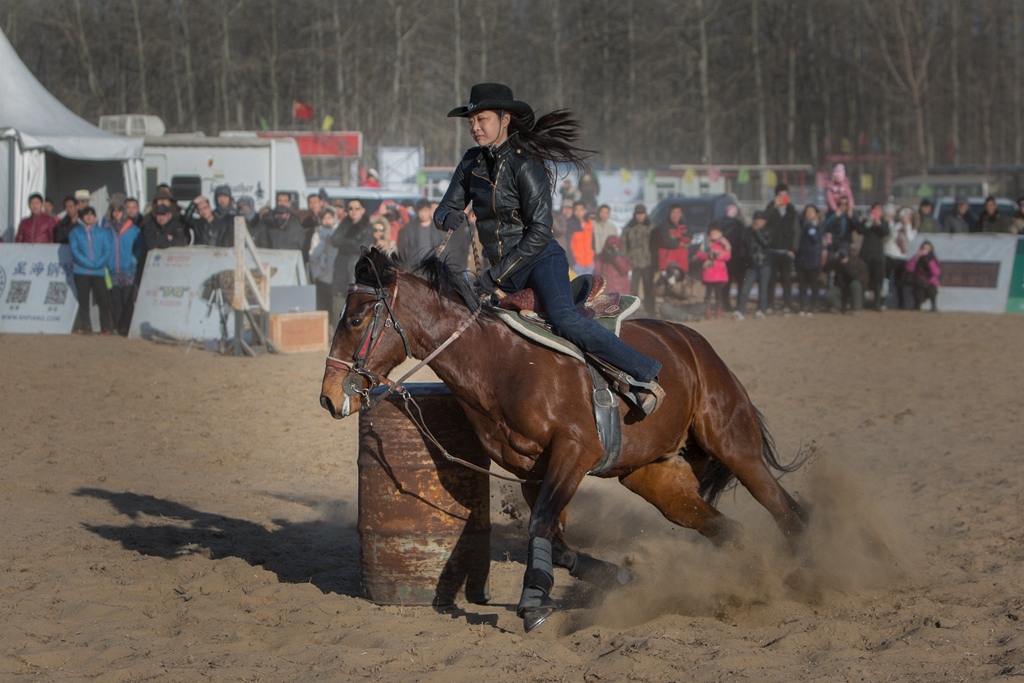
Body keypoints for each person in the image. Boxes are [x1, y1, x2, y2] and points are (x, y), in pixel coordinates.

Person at [434, 82, 664, 414]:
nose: (475, 127)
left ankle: (645, 373)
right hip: (497, 271)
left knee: (564, 319)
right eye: (471, 121)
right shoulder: (471, 162)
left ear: (506, 118)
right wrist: (449, 216)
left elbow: (540, 231)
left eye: (482, 119)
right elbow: (442, 209)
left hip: (540, 260)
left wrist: (496, 274)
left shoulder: (526, 164)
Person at [69, 206, 115, 334]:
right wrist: (88, 263)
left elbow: (107, 250)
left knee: (103, 300)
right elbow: (75, 251)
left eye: (91, 214)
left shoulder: (102, 232)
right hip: (81, 272)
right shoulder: (75, 232)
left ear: (95, 217)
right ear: (81, 217)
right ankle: (86, 326)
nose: (89, 217)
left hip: (99, 272)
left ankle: (106, 326)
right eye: (86, 214)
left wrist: (97, 264)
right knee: (83, 300)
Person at [103, 199, 143, 335]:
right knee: (115, 300)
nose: (116, 213)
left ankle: (127, 326)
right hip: (112, 270)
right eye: (114, 210)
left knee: (128, 300)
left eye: (119, 210)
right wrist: (107, 262)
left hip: (129, 270)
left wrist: (133, 259)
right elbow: (103, 247)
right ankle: (118, 326)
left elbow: (139, 248)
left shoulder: (133, 229)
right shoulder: (107, 229)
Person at [330, 198, 374, 318]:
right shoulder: (344, 224)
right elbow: (334, 240)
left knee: (354, 300)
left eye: (357, 208)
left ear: (363, 210)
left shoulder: (367, 226)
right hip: (340, 265)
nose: (353, 211)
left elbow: (361, 247)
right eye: (350, 208)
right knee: (338, 302)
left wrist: (344, 245)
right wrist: (351, 243)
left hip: (355, 265)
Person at [764, 183, 800, 313]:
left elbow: (796, 231)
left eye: (785, 195)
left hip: (786, 252)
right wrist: (774, 208)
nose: (782, 197)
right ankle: (769, 305)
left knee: (786, 280)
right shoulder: (771, 209)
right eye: (780, 195)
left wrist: (793, 249)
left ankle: (787, 305)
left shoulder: (792, 211)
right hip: (772, 251)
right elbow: (764, 222)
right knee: (771, 280)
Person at [735, 210, 772, 320]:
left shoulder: (768, 231)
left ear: (764, 221)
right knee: (745, 288)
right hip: (751, 265)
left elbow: (766, 243)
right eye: (755, 219)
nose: (757, 222)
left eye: (760, 220)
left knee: (763, 288)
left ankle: (761, 309)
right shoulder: (746, 231)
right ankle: (741, 310)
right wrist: (746, 259)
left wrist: (757, 232)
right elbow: (742, 247)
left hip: (765, 263)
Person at [621, 203, 656, 315]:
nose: (640, 216)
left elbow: (656, 245)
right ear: (634, 215)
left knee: (649, 288)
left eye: (642, 214)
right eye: (638, 214)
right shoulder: (628, 228)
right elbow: (623, 245)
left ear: (645, 214)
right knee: (633, 289)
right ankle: (632, 312)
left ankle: (651, 311)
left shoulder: (652, 227)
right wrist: (625, 260)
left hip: (648, 262)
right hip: (633, 263)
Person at [856, 202, 890, 310]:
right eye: (875, 209)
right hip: (866, 255)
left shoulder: (883, 222)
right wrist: (870, 221)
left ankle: (877, 303)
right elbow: (860, 230)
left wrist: (878, 222)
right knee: (864, 279)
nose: (877, 212)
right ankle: (860, 302)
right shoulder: (867, 221)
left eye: (879, 209)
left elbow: (885, 232)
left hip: (877, 255)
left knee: (878, 280)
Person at [794, 204, 824, 315]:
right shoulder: (800, 225)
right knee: (802, 285)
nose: (809, 214)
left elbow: (815, 237)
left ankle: (815, 305)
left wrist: (810, 226)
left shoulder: (819, 226)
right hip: (801, 259)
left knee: (814, 284)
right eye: (807, 212)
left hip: (813, 260)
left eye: (811, 212)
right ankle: (803, 306)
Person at [884, 207, 917, 309]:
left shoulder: (911, 228)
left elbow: (910, 238)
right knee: (885, 280)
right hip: (889, 254)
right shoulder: (895, 225)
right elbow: (890, 235)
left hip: (901, 257)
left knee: (900, 282)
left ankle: (901, 304)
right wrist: (898, 225)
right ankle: (882, 301)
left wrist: (906, 225)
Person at [695, 226, 731, 319]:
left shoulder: (724, 243)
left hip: (719, 272)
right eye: (712, 232)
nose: (714, 234)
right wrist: (708, 255)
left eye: (716, 232)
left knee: (719, 294)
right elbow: (699, 255)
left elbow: (727, 256)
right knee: (708, 293)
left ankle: (719, 312)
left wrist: (718, 255)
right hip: (709, 272)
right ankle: (707, 312)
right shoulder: (706, 242)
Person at [308, 207, 339, 312]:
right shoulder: (317, 234)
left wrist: (334, 241)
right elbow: (313, 256)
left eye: (329, 218)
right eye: (324, 218)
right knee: (321, 307)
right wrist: (324, 243)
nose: (327, 221)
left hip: (335, 275)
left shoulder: (338, 233)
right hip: (321, 276)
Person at [716, 205, 746, 311]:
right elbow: (744, 242)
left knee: (725, 284)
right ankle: (739, 305)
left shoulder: (719, 224)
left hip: (724, 258)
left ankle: (726, 305)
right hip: (738, 258)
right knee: (740, 284)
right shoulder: (740, 224)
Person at [823, 248, 866, 315]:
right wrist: (833, 259)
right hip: (841, 287)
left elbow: (854, 277)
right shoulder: (837, 263)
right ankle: (842, 308)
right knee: (829, 294)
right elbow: (825, 269)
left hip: (853, 287)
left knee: (856, 284)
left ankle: (856, 309)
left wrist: (846, 265)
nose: (842, 257)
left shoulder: (856, 262)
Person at [653, 204, 691, 277]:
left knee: (683, 285)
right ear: (669, 214)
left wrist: (677, 236)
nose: (675, 215)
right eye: (673, 212)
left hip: (682, 260)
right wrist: (679, 243)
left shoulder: (685, 226)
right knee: (668, 284)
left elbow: (689, 239)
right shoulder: (663, 226)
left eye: (677, 213)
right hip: (668, 261)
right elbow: (665, 240)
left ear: (681, 214)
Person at [905, 241, 941, 312]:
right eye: (924, 249)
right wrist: (916, 257)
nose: (925, 251)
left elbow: (936, 273)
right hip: (919, 283)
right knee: (918, 290)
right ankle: (917, 305)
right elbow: (909, 268)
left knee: (932, 290)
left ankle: (933, 306)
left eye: (927, 249)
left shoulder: (933, 259)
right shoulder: (917, 258)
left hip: (931, 284)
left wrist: (929, 261)